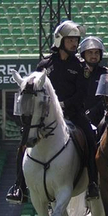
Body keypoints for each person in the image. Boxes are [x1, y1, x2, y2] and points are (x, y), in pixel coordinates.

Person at [9, 20, 91, 203]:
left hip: (73, 114)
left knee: (91, 138)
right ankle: (19, 187)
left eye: (76, 40)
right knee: (23, 143)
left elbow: (81, 94)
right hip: (45, 118)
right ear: (60, 40)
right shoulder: (44, 64)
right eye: (70, 40)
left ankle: (93, 183)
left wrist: (62, 105)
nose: (75, 44)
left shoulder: (80, 66)